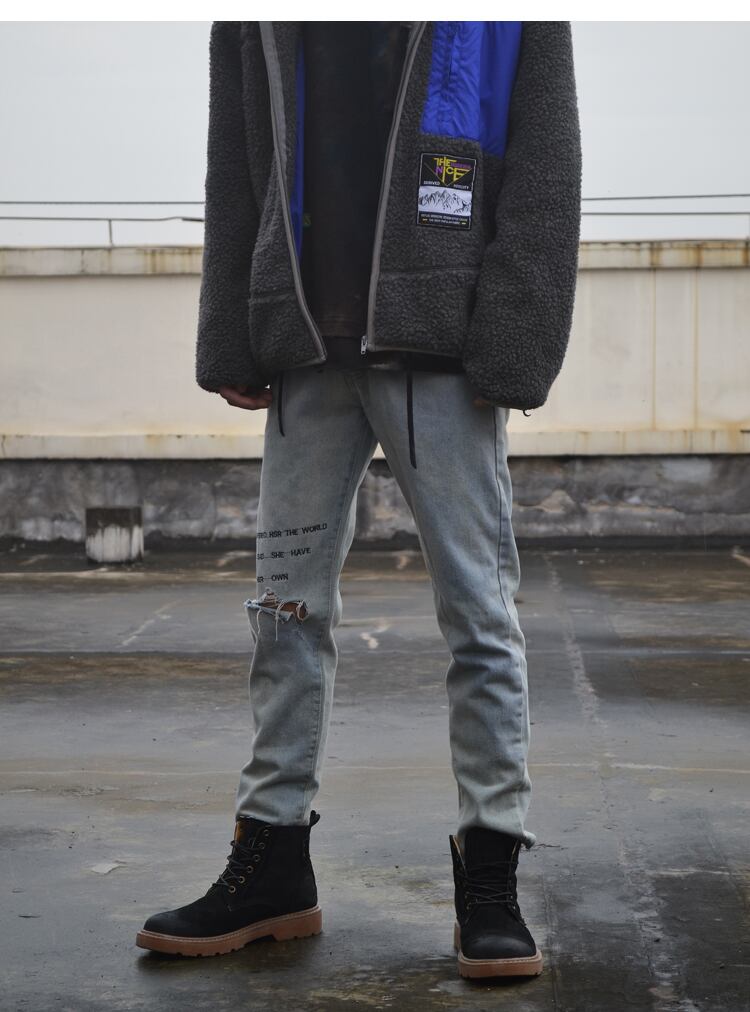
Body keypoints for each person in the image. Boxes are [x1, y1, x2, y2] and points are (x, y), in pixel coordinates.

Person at [136, 20, 581, 979]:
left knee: (480, 617)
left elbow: (546, 173)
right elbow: (236, 174)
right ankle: (272, 865)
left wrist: (515, 343)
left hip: (441, 354)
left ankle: (490, 875)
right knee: (283, 618)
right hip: (306, 346)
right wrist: (231, 334)